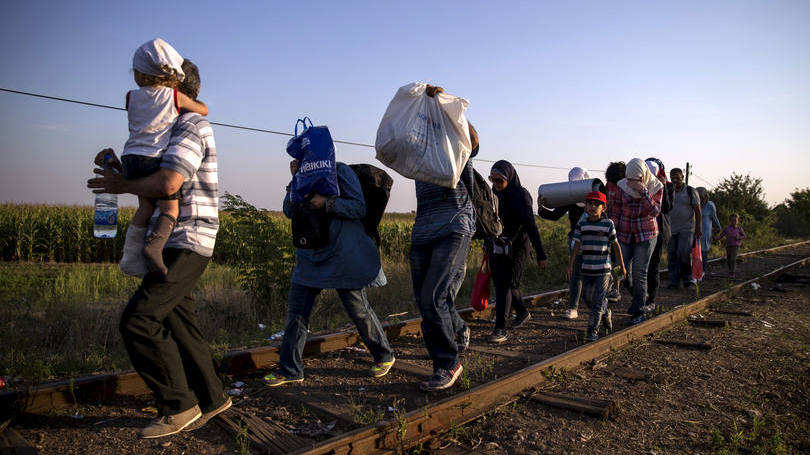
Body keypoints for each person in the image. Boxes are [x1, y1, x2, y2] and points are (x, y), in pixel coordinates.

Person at [87, 59, 229, 438]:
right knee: (179, 321)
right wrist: (122, 172)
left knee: (139, 320)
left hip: (189, 236)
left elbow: (168, 182)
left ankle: (179, 406)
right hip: (171, 237)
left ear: (175, 92)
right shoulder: (166, 128)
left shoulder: (190, 125)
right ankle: (213, 398)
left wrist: (122, 186)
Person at [264, 160, 396, 386]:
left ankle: (384, 355)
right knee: (297, 313)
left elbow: (358, 207)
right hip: (309, 256)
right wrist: (295, 179)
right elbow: (288, 210)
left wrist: (327, 203)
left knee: (358, 309)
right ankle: (290, 369)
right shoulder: (301, 176)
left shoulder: (340, 171)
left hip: (341, 254)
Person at [119, 39, 209, 278]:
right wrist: (187, 102)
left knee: (145, 207)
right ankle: (154, 247)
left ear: (138, 75)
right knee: (170, 207)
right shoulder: (174, 99)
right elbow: (204, 110)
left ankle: (130, 257)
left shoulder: (131, 97)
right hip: (153, 159)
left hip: (130, 158)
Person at [409, 84, 477, 392]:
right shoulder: (419, 147)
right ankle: (457, 331)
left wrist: (445, 105)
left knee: (433, 296)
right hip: (423, 228)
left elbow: (474, 140)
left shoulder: (457, 144)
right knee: (429, 299)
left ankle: (447, 363)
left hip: (454, 225)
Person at [486, 161, 548, 344]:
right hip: (498, 246)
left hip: (518, 247)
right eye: (492, 179)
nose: (495, 183)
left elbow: (531, 226)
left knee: (506, 284)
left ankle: (500, 329)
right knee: (503, 285)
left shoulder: (521, 196)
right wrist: (487, 243)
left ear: (509, 178)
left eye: (499, 180)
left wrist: (541, 254)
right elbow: (489, 221)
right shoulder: (493, 194)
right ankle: (521, 311)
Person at [569, 191, 626, 341]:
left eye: (596, 204)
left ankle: (592, 330)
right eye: (590, 203)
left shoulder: (608, 224)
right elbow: (576, 245)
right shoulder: (582, 224)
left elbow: (616, 245)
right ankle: (606, 312)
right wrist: (570, 265)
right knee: (587, 298)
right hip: (587, 269)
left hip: (603, 270)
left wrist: (621, 265)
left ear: (603, 208)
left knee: (597, 301)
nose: (593, 206)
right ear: (585, 207)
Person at [612, 158, 663, 325]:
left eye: (634, 179)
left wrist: (644, 193)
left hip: (646, 234)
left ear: (643, 177)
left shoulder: (656, 187)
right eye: (629, 179)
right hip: (625, 233)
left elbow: (655, 211)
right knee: (621, 270)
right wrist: (613, 236)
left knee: (639, 272)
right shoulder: (622, 186)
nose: (631, 183)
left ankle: (639, 310)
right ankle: (640, 298)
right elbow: (617, 211)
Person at [538, 167, 589, 319]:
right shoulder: (570, 198)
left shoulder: (593, 196)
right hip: (575, 239)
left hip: (593, 238)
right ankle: (574, 307)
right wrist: (541, 208)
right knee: (576, 274)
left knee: (593, 274)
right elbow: (554, 215)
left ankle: (598, 303)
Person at [644, 158, 672, 312]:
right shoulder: (640, 184)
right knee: (641, 266)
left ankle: (651, 299)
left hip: (659, 231)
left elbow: (667, 207)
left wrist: (663, 187)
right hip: (642, 230)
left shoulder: (668, 187)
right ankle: (642, 295)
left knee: (653, 265)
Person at [666, 168, 702, 289]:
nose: (675, 180)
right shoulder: (668, 191)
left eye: (677, 177)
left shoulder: (690, 191)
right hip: (670, 229)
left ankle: (688, 279)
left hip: (687, 228)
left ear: (682, 177)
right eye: (672, 178)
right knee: (671, 255)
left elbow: (697, 210)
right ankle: (673, 281)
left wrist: (698, 228)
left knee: (683, 253)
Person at [604, 161, 626, 302]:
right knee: (617, 259)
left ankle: (613, 287)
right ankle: (616, 289)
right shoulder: (624, 187)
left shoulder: (608, 186)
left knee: (611, 258)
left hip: (609, 225)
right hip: (620, 226)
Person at [697, 187, 722, 276]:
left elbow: (714, 218)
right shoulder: (695, 203)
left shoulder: (709, 205)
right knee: (695, 251)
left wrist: (717, 229)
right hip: (695, 230)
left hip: (705, 231)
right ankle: (695, 271)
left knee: (703, 251)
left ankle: (703, 271)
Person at [714, 213, 746, 279]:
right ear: (729, 221)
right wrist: (716, 238)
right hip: (728, 246)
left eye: (735, 220)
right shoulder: (727, 228)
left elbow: (744, 236)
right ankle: (730, 271)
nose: (733, 222)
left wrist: (739, 237)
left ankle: (732, 273)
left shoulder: (739, 228)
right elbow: (721, 235)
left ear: (738, 221)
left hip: (736, 246)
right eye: (732, 220)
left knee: (733, 259)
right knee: (728, 260)